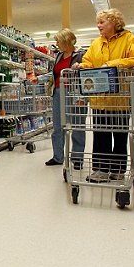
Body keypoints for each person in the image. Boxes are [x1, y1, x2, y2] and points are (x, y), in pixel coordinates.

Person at [72, 8, 134, 182]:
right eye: (98, 22)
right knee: (100, 134)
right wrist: (80, 66)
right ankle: (101, 170)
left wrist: (113, 64)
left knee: (119, 135)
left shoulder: (129, 39)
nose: (98, 25)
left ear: (114, 22)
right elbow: (88, 61)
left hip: (120, 99)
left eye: (102, 22)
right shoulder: (96, 43)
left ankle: (118, 170)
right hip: (100, 99)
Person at [45, 28, 86, 168]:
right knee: (57, 126)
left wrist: (83, 97)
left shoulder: (80, 55)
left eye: (58, 41)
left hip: (75, 94)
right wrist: (39, 80)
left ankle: (77, 158)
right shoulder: (58, 56)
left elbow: (85, 77)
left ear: (66, 41)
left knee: (78, 125)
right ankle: (58, 157)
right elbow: (54, 74)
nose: (56, 44)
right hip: (58, 92)